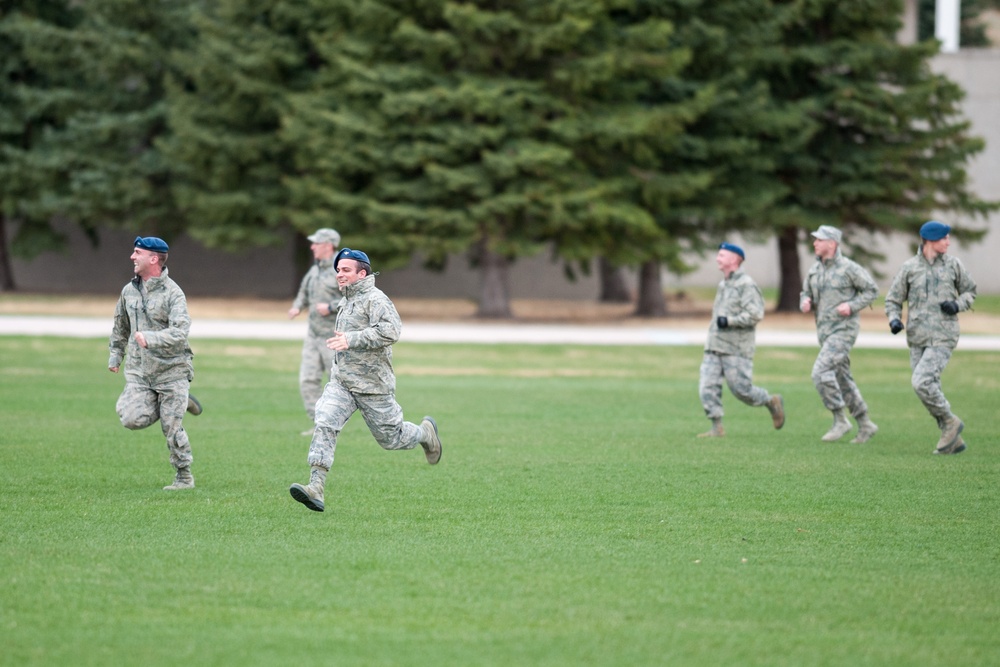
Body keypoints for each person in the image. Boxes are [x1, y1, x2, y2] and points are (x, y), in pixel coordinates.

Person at [289, 248, 443, 512]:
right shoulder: (346, 299)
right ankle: (316, 487)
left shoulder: (376, 299)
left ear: (362, 273)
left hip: (373, 387)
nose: (339, 274)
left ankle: (424, 434)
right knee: (324, 420)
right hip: (342, 383)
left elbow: (391, 331)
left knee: (391, 439)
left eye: (345, 270)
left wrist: (352, 339)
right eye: (338, 270)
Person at [108, 236, 202, 490]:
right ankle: (181, 402)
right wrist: (116, 355)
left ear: (153, 259)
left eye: (137, 252)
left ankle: (184, 477)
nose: (132, 257)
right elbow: (120, 326)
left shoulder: (174, 293)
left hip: (172, 372)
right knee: (129, 418)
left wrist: (150, 338)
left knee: (171, 427)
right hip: (140, 372)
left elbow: (180, 332)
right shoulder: (129, 291)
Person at [885, 220, 977, 455]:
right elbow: (893, 298)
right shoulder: (909, 268)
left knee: (921, 382)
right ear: (930, 240)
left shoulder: (954, 265)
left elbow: (970, 291)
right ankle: (952, 441)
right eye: (944, 238)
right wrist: (894, 319)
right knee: (926, 386)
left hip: (944, 335)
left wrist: (957, 304)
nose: (948, 242)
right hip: (917, 337)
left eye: (948, 238)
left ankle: (950, 422)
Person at [800, 225, 880, 443]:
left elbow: (872, 290)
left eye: (819, 239)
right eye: (814, 239)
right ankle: (865, 424)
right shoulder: (814, 270)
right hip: (824, 333)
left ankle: (840, 419)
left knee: (820, 372)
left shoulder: (849, 268)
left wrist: (852, 306)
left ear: (832, 244)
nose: (814, 243)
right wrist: (805, 301)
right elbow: (805, 291)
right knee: (842, 378)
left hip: (843, 331)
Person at [697, 242, 785, 437]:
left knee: (741, 390)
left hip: (736, 348)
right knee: (706, 387)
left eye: (722, 255)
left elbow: (755, 315)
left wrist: (729, 321)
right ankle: (717, 427)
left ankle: (771, 401)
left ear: (734, 260)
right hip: (714, 346)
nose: (718, 258)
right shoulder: (723, 284)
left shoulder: (747, 285)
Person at [288, 227, 342, 435]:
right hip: (313, 335)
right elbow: (304, 289)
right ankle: (320, 424)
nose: (312, 247)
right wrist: (297, 306)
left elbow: (354, 297)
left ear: (328, 245)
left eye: (316, 243)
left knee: (336, 383)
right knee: (308, 380)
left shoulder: (342, 269)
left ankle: (335, 423)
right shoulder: (315, 268)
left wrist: (330, 307)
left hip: (334, 338)